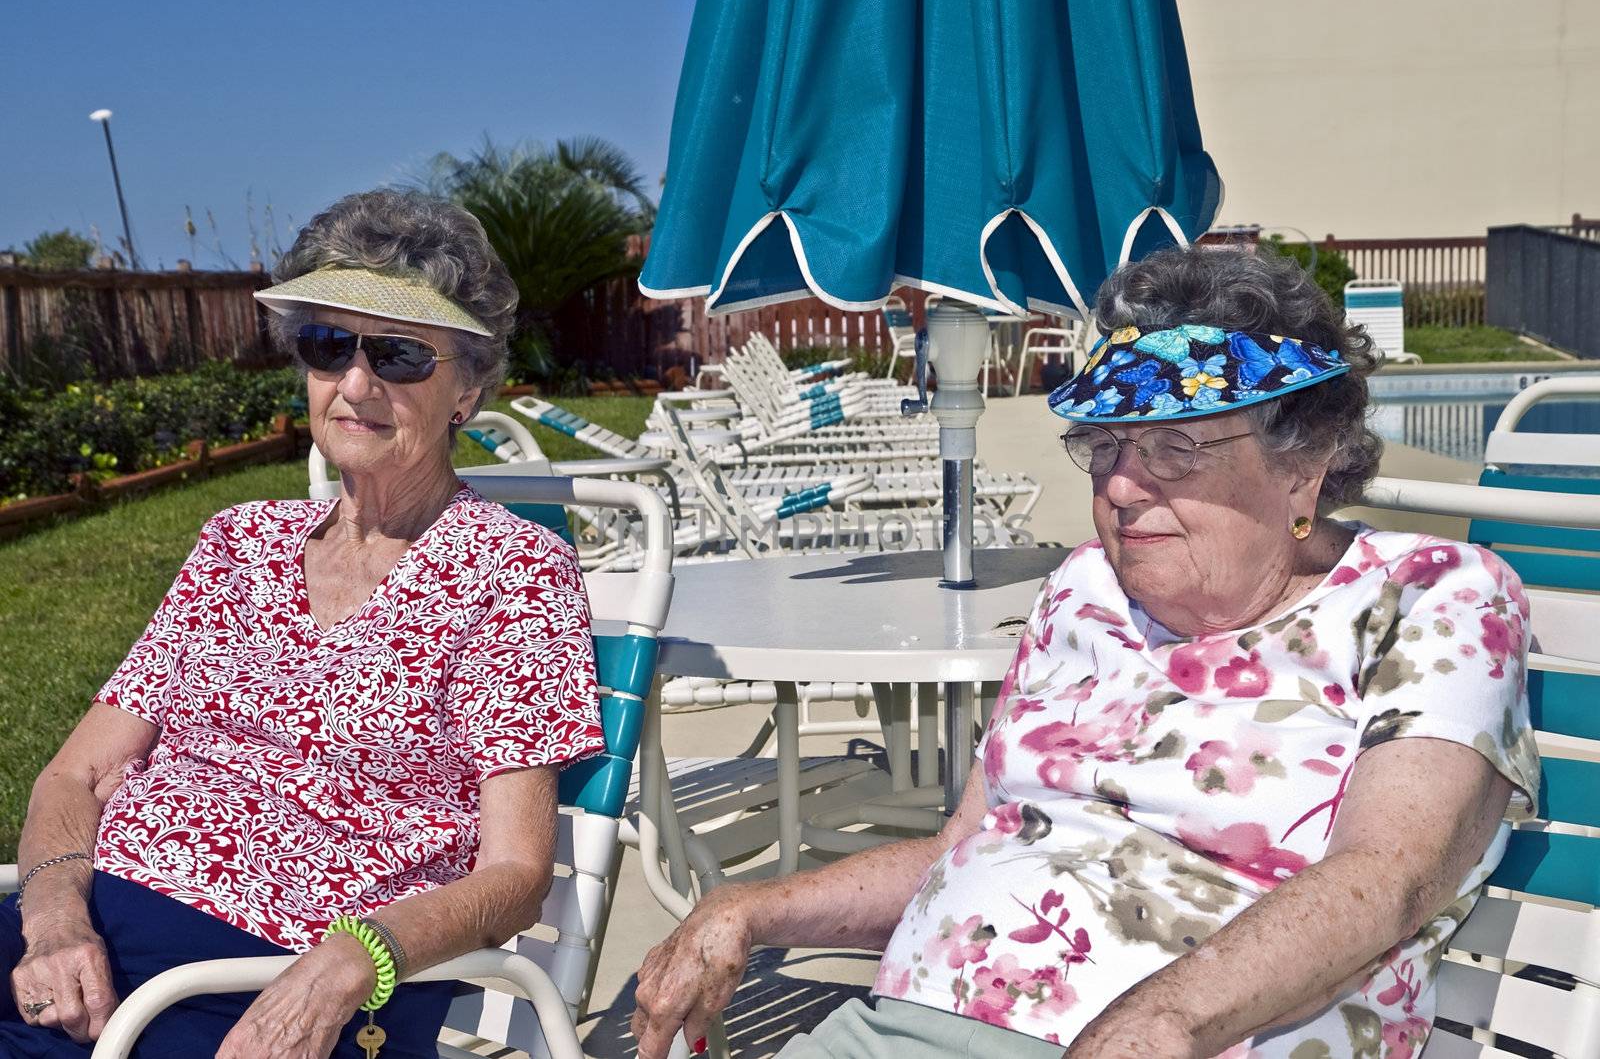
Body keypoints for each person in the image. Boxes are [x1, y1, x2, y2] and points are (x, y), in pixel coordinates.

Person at [631, 248, 1539, 1059]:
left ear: (1303, 463)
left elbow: (1389, 874)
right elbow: (966, 848)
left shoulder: (1432, 594)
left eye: (1175, 449)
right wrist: (750, 906)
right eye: (1103, 445)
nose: (1121, 484)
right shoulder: (1082, 590)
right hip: (913, 1026)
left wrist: (1163, 1016)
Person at [2, 189, 604, 1058]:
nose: (356, 384)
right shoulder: (238, 542)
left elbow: (513, 876)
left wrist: (351, 961)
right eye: (330, 346)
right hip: (89, 931)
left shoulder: (512, 572)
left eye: (399, 354)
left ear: (467, 387)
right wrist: (55, 916)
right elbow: (74, 774)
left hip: (278, 981)